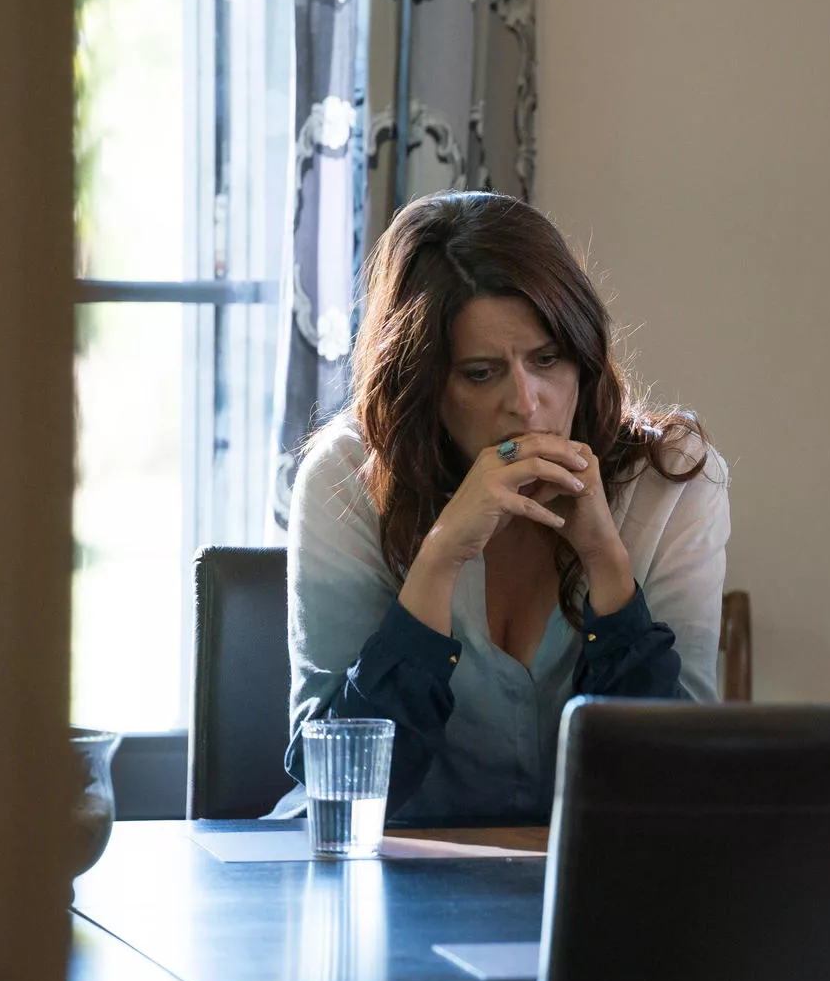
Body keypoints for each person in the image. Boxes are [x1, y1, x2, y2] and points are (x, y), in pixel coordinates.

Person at [279, 191, 729, 821]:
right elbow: (338, 785)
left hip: (589, 868)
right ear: (422, 386)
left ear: (584, 355)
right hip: (390, 860)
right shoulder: (346, 477)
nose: (527, 402)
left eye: (547, 359)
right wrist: (440, 557)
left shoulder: (669, 480)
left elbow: (678, 786)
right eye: (481, 373)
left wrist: (605, 559)